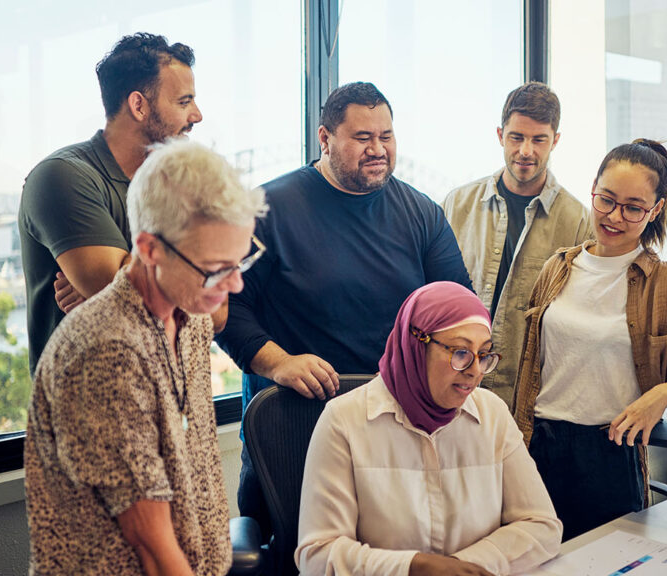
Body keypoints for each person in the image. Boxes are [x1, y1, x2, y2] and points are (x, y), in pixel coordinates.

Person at [215, 81, 473, 537]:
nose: (378, 149)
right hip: (296, 418)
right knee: (297, 549)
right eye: (362, 138)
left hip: (394, 420)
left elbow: (458, 308)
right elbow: (224, 304)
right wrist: (278, 362)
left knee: (383, 548)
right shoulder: (266, 209)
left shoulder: (422, 213)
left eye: (386, 136)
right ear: (325, 137)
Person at [24, 139, 268, 575]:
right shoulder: (105, 353)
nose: (234, 286)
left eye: (241, 263)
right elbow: (151, 547)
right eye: (215, 269)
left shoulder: (188, 318)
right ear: (150, 249)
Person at [512, 139, 667, 540]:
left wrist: (666, 394)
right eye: (606, 200)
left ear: (656, 210)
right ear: (593, 188)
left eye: (633, 208)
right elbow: (532, 370)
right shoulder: (556, 268)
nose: (614, 217)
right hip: (536, 449)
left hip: (610, 455)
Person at [296, 281, 562, 576]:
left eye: (484, 355)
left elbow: (542, 526)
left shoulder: (492, 413)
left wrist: (461, 567)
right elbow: (317, 556)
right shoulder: (344, 420)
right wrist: (412, 568)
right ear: (415, 345)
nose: (475, 370)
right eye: (461, 352)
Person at [19, 32, 203, 374]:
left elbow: (218, 310)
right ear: (138, 105)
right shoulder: (62, 177)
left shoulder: (173, 184)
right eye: (184, 101)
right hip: (83, 408)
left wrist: (117, 289)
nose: (197, 115)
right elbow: (141, 298)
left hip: (160, 398)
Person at [443, 82, 592, 407]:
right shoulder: (458, 204)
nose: (526, 151)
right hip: (453, 382)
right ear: (500, 135)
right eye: (516, 137)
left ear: (556, 140)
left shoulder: (578, 220)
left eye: (539, 139)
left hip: (528, 397)